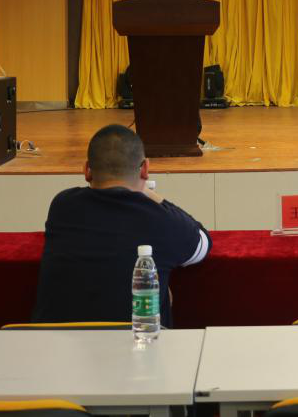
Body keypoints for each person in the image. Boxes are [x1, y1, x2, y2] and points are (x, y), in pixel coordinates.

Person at [32, 124, 211, 326]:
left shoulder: (62, 205)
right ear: (145, 169)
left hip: (54, 341)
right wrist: (150, 194)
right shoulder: (163, 220)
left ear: (87, 170)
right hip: (137, 342)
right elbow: (203, 244)